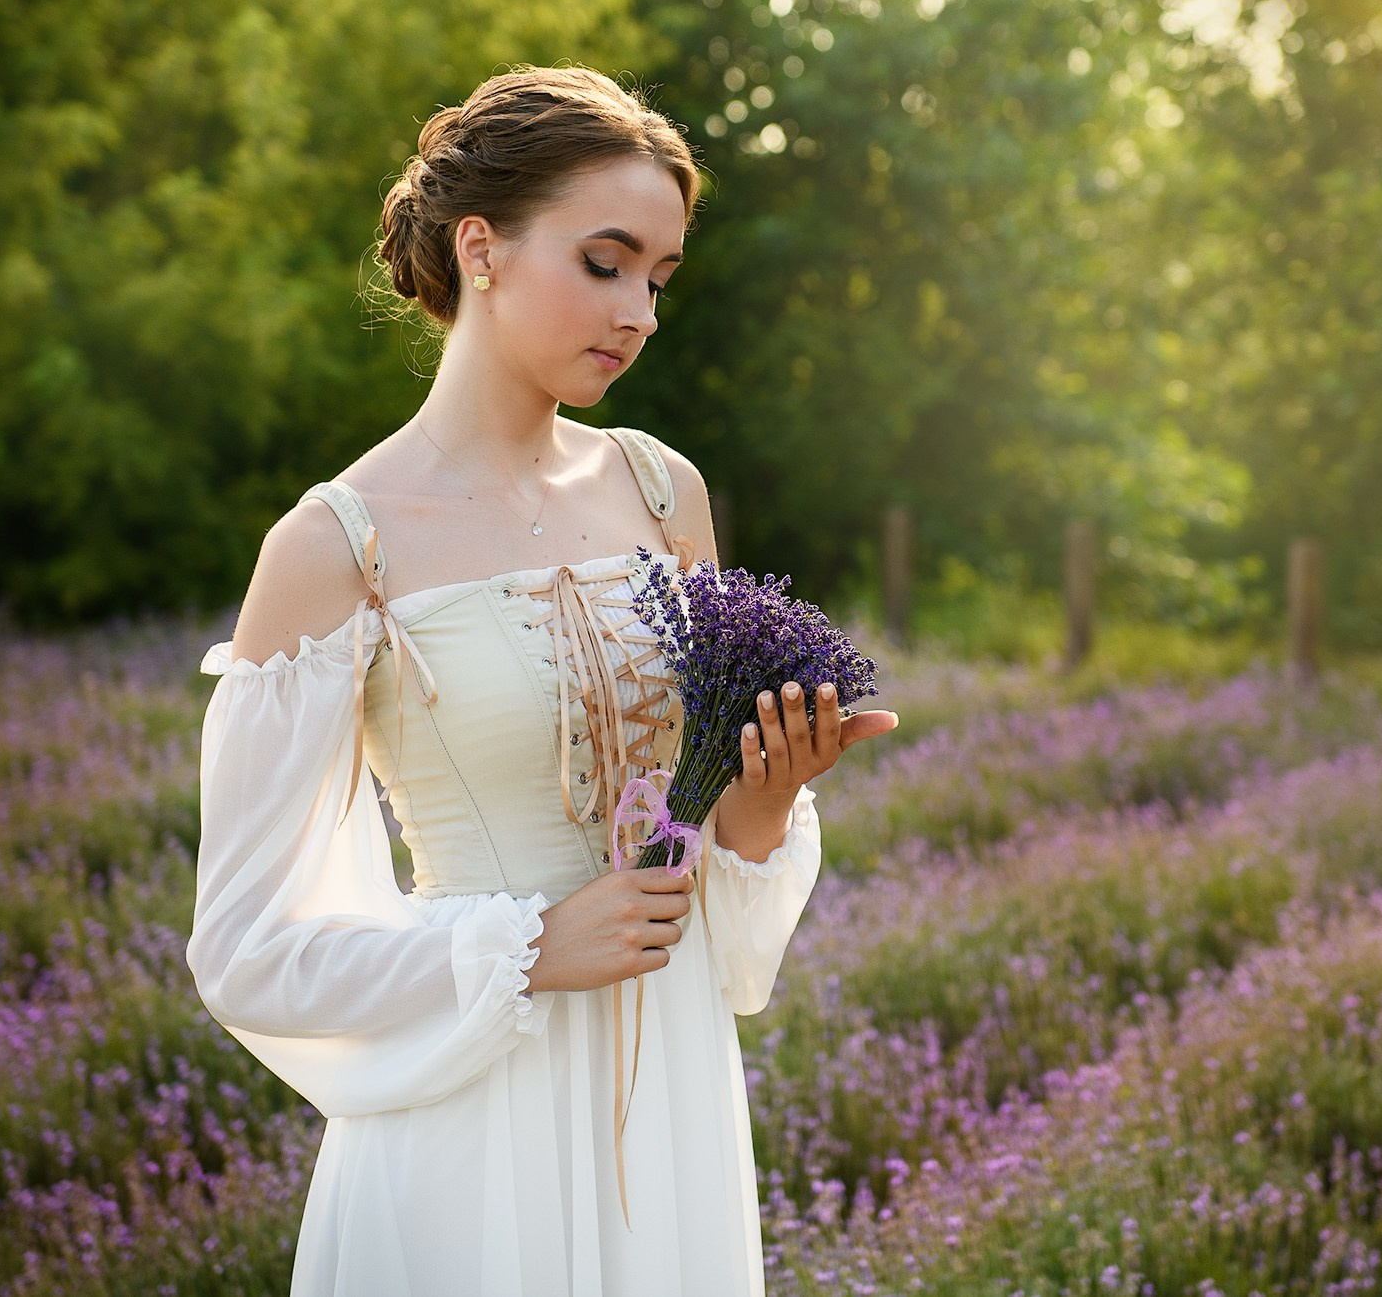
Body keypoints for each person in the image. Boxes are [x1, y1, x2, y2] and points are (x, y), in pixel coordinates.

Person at [186, 66, 899, 1296]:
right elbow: (245, 951)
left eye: (659, 279)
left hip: (670, 1094)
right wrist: (527, 947)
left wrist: (768, 801)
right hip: (472, 1115)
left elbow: (706, 873)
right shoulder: (334, 547)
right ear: (482, 249)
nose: (639, 313)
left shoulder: (664, 492)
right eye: (606, 262)